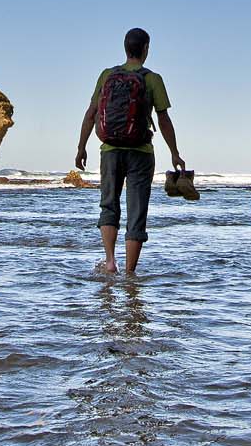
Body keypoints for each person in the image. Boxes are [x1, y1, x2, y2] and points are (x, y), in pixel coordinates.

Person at [75, 26, 183, 274]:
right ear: (146, 49)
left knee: (109, 205)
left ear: (125, 48)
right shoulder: (152, 78)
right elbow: (163, 120)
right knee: (136, 213)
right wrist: (175, 153)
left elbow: (91, 114)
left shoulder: (106, 75)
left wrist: (81, 147)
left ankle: (110, 261)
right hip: (141, 153)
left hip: (110, 150)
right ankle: (130, 272)